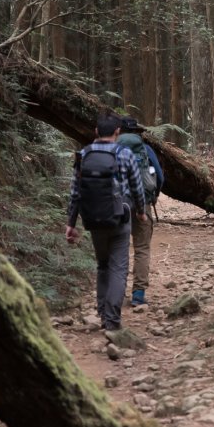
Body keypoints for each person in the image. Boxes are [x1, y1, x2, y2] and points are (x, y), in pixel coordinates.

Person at [65, 113, 147, 331]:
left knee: (102, 265)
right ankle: (111, 319)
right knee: (119, 268)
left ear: (96, 132)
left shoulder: (83, 154)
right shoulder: (125, 154)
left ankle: (102, 313)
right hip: (121, 217)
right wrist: (141, 212)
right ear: (117, 132)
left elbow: (75, 192)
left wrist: (71, 223)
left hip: (93, 218)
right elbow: (137, 187)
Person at [117, 116, 164, 306]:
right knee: (142, 249)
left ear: (119, 131)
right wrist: (153, 196)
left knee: (118, 250)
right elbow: (159, 176)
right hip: (142, 204)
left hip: (117, 205)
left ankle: (116, 293)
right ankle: (138, 295)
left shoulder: (112, 149)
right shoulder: (146, 150)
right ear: (137, 132)